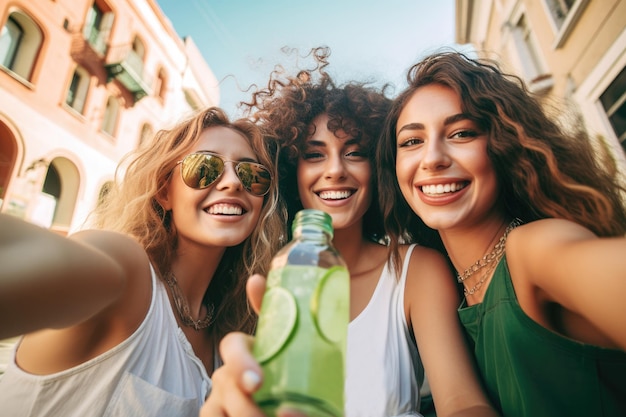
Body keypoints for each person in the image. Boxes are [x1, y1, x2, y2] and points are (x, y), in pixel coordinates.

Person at [201, 48, 499, 417]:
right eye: (314, 155)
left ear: (378, 167)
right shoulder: (263, 276)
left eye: (354, 152)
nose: (335, 171)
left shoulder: (415, 270)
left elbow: (463, 403)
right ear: (292, 171)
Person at [376, 51, 626, 416]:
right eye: (412, 141)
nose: (432, 158)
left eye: (461, 133)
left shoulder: (534, 249)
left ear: (504, 145)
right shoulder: (447, 292)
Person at [0, 107, 284, 416]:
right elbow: (44, 261)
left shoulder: (227, 336)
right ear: (165, 192)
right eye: (204, 166)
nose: (233, 182)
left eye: (252, 174)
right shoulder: (126, 268)